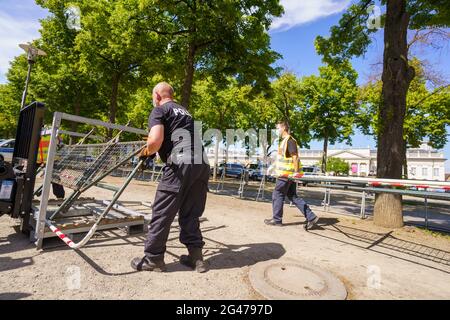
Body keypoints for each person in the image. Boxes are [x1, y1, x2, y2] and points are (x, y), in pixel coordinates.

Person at [131, 82, 210, 273]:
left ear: (157, 96)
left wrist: (145, 153)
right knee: (191, 212)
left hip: (180, 163)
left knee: (162, 211)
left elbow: (155, 141)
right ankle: (196, 257)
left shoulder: (160, 110)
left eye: (152, 97)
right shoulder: (186, 112)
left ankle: (154, 259)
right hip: (202, 163)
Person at [264, 120, 319, 230]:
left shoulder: (289, 140)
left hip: (287, 175)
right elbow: (284, 158)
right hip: (287, 174)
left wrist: (296, 172)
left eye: (278, 128)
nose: (277, 131)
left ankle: (277, 219)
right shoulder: (284, 141)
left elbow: (295, 157)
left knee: (277, 193)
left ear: (283, 128)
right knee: (292, 196)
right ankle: (311, 216)